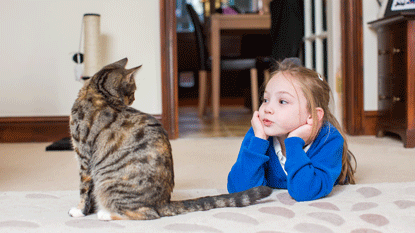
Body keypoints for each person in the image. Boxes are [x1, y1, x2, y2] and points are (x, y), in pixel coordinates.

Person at [227, 58, 356, 202]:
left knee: (333, 162)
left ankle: (341, 162)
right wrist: (258, 142)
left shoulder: (329, 139)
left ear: (312, 115)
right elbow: (239, 190)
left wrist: (294, 142)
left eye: (282, 101)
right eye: (265, 100)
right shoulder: (259, 134)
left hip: (323, 158)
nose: (267, 109)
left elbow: (305, 192)